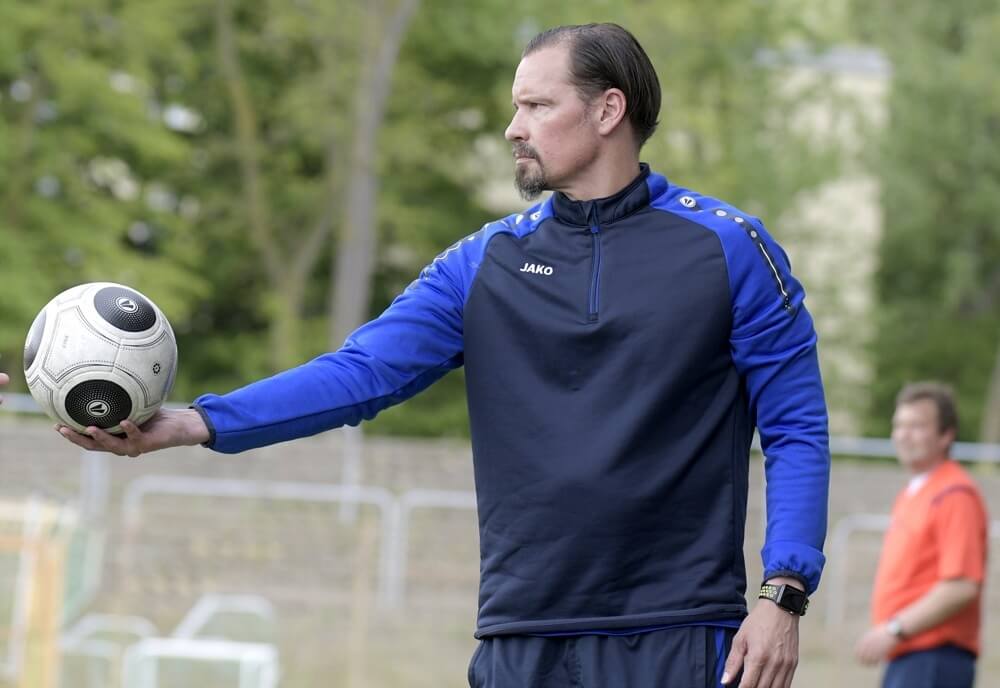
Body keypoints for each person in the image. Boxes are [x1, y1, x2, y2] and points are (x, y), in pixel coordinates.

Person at [4, 23, 829, 688]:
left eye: (537, 106)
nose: (513, 127)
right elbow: (360, 373)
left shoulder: (729, 249)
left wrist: (782, 594)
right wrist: (195, 424)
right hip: (519, 635)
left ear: (608, 111)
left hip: (678, 633)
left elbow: (795, 427)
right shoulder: (485, 263)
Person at [855, 382, 988, 688]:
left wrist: (893, 629)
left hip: (935, 658)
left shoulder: (955, 494)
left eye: (917, 426)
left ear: (946, 435)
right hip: (910, 656)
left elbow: (961, 586)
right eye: (899, 424)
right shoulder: (916, 492)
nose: (903, 434)